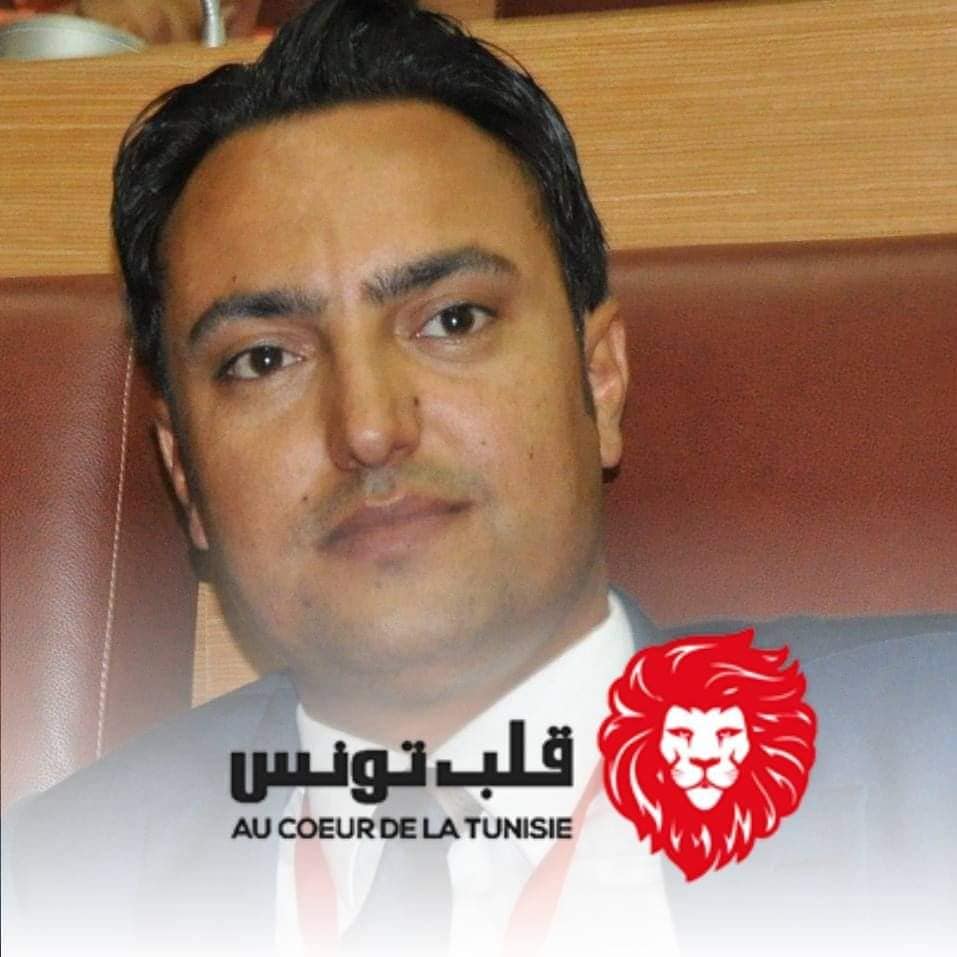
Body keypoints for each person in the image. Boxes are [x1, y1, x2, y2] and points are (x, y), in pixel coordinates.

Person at [2, 2, 955, 956]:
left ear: (598, 381)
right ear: (185, 475)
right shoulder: (47, 890)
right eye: (264, 359)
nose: (369, 427)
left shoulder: (931, 759)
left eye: (452, 320)